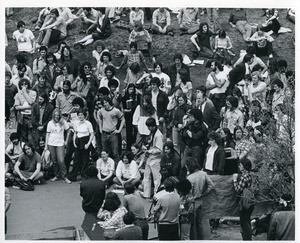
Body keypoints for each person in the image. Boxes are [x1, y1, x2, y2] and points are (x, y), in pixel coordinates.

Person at [186, 157, 215, 240]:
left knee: (192, 224)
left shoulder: (190, 178)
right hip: (200, 200)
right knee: (199, 223)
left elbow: (189, 192)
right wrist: (204, 193)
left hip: (192, 202)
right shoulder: (203, 174)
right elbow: (211, 186)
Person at [45, 109, 71, 183]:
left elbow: (69, 130)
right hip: (51, 143)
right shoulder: (50, 123)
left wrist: (66, 140)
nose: (56, 116)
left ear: (60, 116)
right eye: (55, 115)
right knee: (54, 160)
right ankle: (57, 175)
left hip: (60, 143)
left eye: (58, 115)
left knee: (61, 160)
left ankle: (64, 176)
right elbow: (48, 134)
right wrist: (46, 146)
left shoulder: (63, 122)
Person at [68, 108, 94, 181]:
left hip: (85, 141)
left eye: (81, 115)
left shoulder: (88, 123)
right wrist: (74, 142)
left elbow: (91, 134)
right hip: (78, 141)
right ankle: (73, 176)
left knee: (85, 160)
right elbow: (75, 133)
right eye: (79, 115)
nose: (80, 116)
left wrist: (88, 144)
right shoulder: (76, 123)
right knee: (76, 160)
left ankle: (84, 176)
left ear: (84, 115)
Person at [97, 96, 125, 162]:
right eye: (103, 103)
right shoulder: (101, 110)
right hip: (104, 133)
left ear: (109, 102)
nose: (105, 104)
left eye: (106, 102)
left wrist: (119, 130)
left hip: (113, 133)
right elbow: (99, 118)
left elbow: (123, 119)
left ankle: (117, 169)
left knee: (115, 153)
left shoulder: (116, 111)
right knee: (105, 153)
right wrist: (100, 128)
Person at [233, 157, 254, 240]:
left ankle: (247, 239)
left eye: (240, 165)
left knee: (245, 223)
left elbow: (238, 190)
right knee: (247, 220)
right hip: (251, 200)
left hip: (245, 201)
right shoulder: (252, 175)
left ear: (244, 166)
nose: (239, 166)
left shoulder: (243, 177)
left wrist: (234, 180)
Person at [142, 117, 163, 198]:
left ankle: (156, 196)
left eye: (149, 127)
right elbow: (152, 144)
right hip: (150, 158)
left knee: (156, 178)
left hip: (156, 159)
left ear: (153, 126)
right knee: (146, 176)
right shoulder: (152, 133)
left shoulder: (158, 135)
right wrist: (147, 146)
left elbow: (159, 149)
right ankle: (146, 194)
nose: (147, 128)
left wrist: (149, 151)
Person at [14, 78, 37, 143]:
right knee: (24, 136)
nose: (24, 86)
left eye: (25, 84)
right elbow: (17, 107)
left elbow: (31, 102)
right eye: (22, 84)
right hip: (23, 117)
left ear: (28, 85)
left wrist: (24, 92)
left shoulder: (33, 93)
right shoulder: (18, 95)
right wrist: (28, 107)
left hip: (31, 116)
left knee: (33, 136)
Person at [122, 83, 141, 149]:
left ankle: (135, 145)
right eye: (130, 89)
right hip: (128, 115)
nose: (131, 91)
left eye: (133, 89)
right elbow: (123, 108)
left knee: (136, 130)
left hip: (135, 115)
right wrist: (126, 110)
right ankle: (128, 146)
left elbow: (139, 105)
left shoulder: (137, 96)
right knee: (129, 130)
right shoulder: (124, 97)